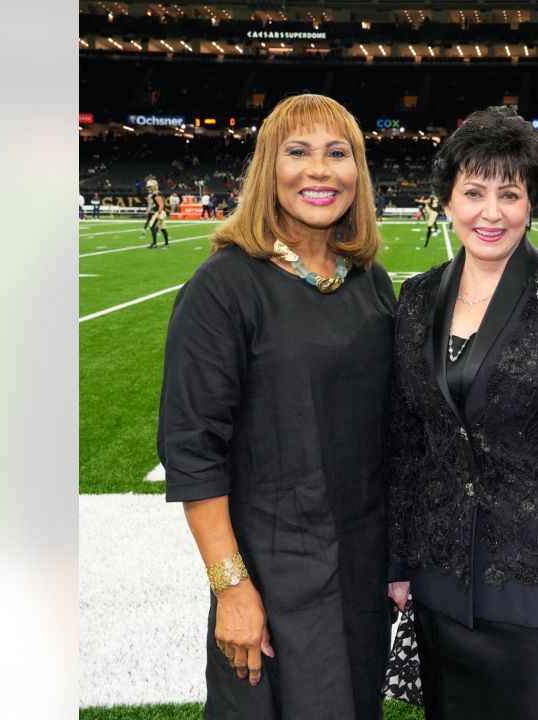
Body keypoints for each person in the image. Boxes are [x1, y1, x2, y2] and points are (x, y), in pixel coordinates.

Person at [157, 93, 394, 720]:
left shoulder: (369, 282)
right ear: (269, 168)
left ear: (357, 172)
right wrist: (232, 588)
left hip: (361, 572)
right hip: (271, 575)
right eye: (298, 152)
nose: (319, 171)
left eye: (337, 154)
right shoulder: (223, 287)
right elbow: (193, 451)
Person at [386, 106, 538, 720]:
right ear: (447, 200)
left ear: (531, 203)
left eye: (509, 194)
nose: (491, 213)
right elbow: (409, 441)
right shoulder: (416, 297)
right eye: (473, 192)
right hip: (441, 585)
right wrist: (398, 563)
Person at [144, 178, 171, 248]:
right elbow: (155, 204)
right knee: (162, 228)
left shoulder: (156, 194)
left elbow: (161, 205)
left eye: (150, 187)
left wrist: (158, 213)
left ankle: (154, 244)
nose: (149, 188)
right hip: (160, 212)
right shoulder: (154, 194)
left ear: (154, 186)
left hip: (160, 212)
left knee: (152, 225)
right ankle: (166, 244)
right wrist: (149, 210)